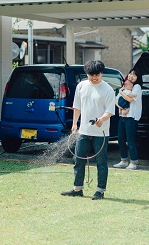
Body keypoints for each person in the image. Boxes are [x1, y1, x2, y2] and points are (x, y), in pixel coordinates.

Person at [61, 60, 115, 200]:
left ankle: (100, 191)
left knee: (101, 162)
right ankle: (77, 188)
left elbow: (110, 111)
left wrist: (102, 119)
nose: (94, 78)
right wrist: (74, 124)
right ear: (87, 74)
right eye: (91, 75)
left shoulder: (108, 89)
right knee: (78, 159)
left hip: (101, 132)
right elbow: (77, 106)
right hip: (84, 131)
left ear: (101, 73)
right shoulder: (81, 86)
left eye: (97, 75)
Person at [113, 69, 143, 170]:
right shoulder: (125, 85)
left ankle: (133, 162)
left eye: (134, 75)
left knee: (130, 140)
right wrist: (119, 106)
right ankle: (123, 160)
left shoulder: (137, 87)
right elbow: (116, 99)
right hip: (122, 116)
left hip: (132, 117)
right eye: (130, 74)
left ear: (138, 78)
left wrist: (121, 91)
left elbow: (130, 99)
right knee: (120, 139)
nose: (131, 76)